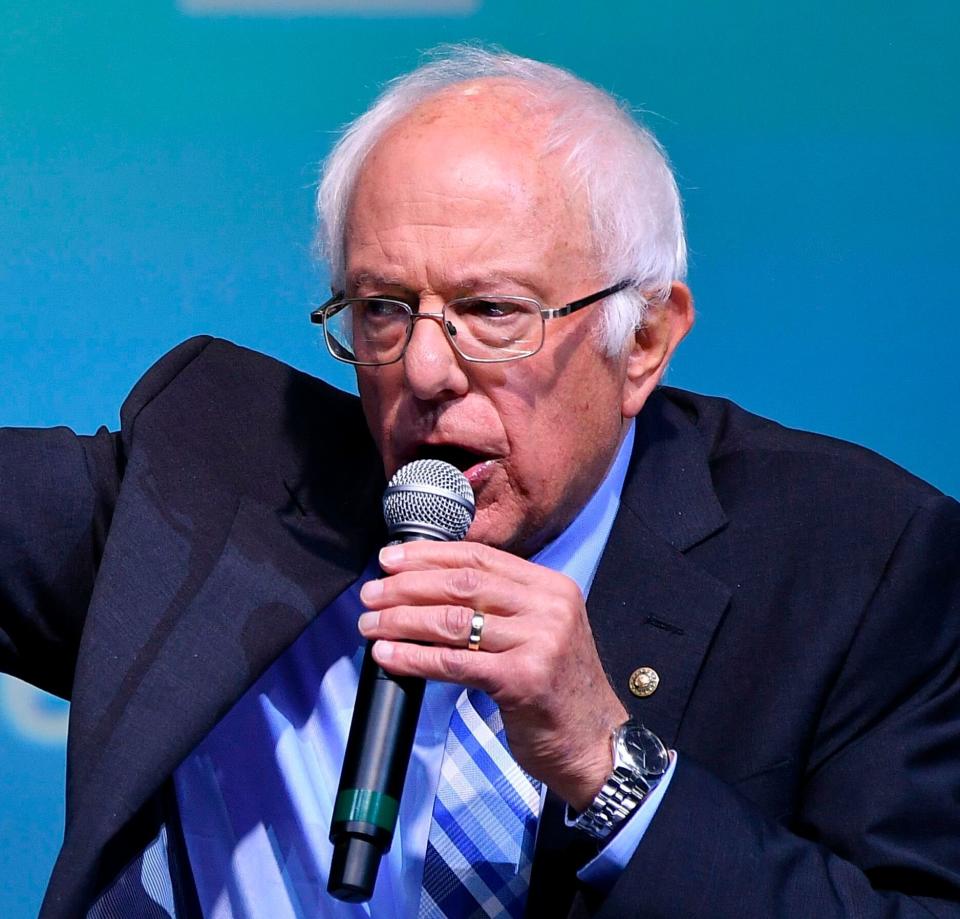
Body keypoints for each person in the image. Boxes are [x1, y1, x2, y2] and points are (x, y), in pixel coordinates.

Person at [2, 47, 959, 919]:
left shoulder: (861, 562)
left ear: (646, 340)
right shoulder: (211, 478)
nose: (423, 369)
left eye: (491, 310)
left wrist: (609, 764)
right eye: (383, 308)